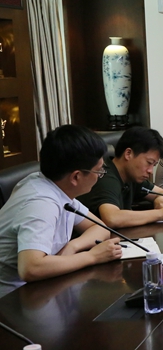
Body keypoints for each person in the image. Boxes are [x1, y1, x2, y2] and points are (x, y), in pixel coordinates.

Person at [0, 125, 122, 297]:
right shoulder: (41, 203)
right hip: (13, 299)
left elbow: (99, 227)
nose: (100, 175)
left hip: (43, 288)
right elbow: (31, 268)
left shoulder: (57, 187)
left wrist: (72, 247)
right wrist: (92, 257)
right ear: (76, 177)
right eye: (98, 171)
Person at [78, 127, 163, 228]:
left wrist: (161, 199)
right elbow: (112, 218)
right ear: (128, 154)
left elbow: (162, 193)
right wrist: (161, 213)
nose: (150, 171)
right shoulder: (106, 178)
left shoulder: (131, 176)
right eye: (149, 163)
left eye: (154, 165)